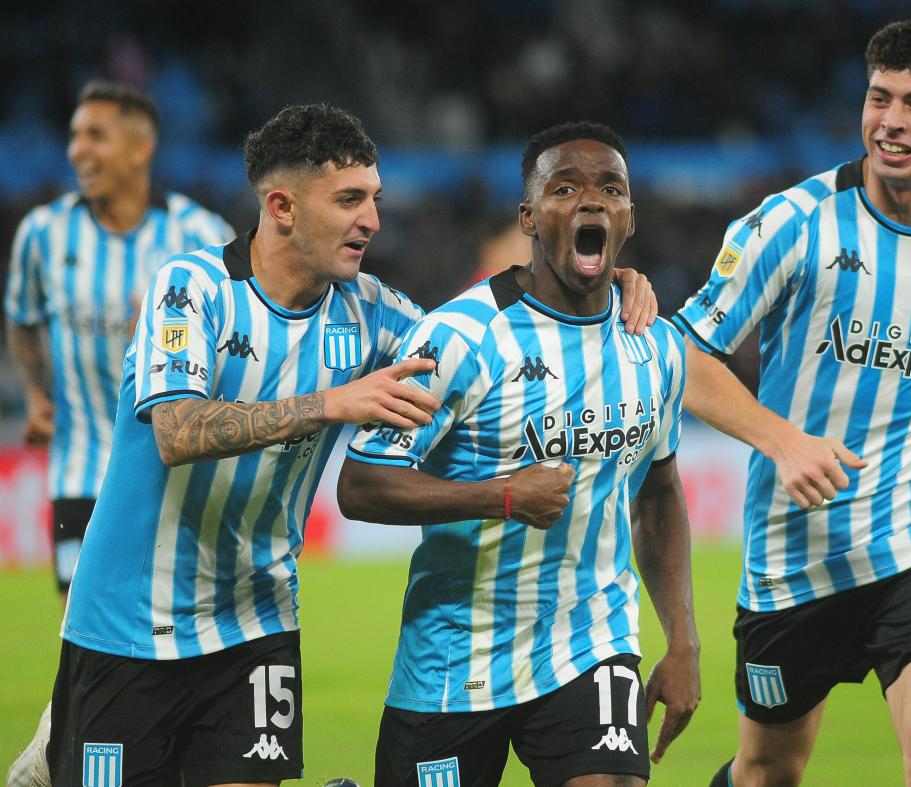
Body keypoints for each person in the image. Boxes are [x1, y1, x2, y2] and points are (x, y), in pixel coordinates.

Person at [43, 103, 658, 787]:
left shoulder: (372, 312)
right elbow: (177, 432)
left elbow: (482, 334)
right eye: (349, 200)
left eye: (375, 198)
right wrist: (329, 403)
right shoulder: (192, 289)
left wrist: (599, 291)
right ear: (281, 206)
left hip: (256, 620)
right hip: (125, 623)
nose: (372, 219)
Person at [670, 20, 911, 786]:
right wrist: (782, 440)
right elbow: (683, 352)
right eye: (880, 99)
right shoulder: (789, 223)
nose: (892, 121)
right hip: (795, 550)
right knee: (769, 766)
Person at [338, 120, 701, 787]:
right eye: (565, 188)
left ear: (629, 217)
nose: (591, 201)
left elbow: (657, 487)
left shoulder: (654, 344)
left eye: (610, 189)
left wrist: (682, 641)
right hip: (454, 659)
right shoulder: (460, 336)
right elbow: (360, 485)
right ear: (529, 218)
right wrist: (502, 495)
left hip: (590, 643)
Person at [4, 79, 233, 787]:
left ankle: (69, 757)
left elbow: (239, 335)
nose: (77, 149)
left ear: (141, 148)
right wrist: (39, 395)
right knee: (94, 630)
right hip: (80, 471)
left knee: (166, 633)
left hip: (176, 478)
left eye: (95, 134)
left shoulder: (198, 235)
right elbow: (22, 314)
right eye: (74, 135)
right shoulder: (44, 234)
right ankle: (58, 757)